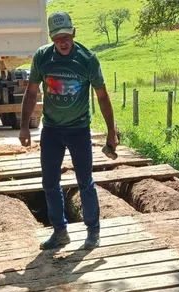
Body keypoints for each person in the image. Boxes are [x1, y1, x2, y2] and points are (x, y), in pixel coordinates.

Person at [19, 11, 119, 250]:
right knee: (50, 183)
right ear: (52, 38)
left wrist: (111, 131)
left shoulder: (87, 59)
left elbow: (102, 97)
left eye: (66, 36)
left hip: (78, 129)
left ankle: (93, 232)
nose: (62, 41)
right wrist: (24, 127)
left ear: (73, 33)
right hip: (52, 129)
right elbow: (31, 92)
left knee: (85, 181)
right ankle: (60, 232)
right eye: (57, 37)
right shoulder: (42, 57)